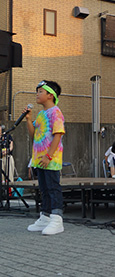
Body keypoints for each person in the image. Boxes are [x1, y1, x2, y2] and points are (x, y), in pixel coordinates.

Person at [25, 80, 65, 235]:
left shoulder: (56, 112)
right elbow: (33, 134)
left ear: (50, 95)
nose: (37, 94)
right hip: (39, 159)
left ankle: (57, 218)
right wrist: (28, 119)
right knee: (44, 189)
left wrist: (48, 156)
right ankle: (45, 216)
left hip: (51, 159)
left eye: (40, 91)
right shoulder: (42, 114)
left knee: (53, 188)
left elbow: (58, 135)